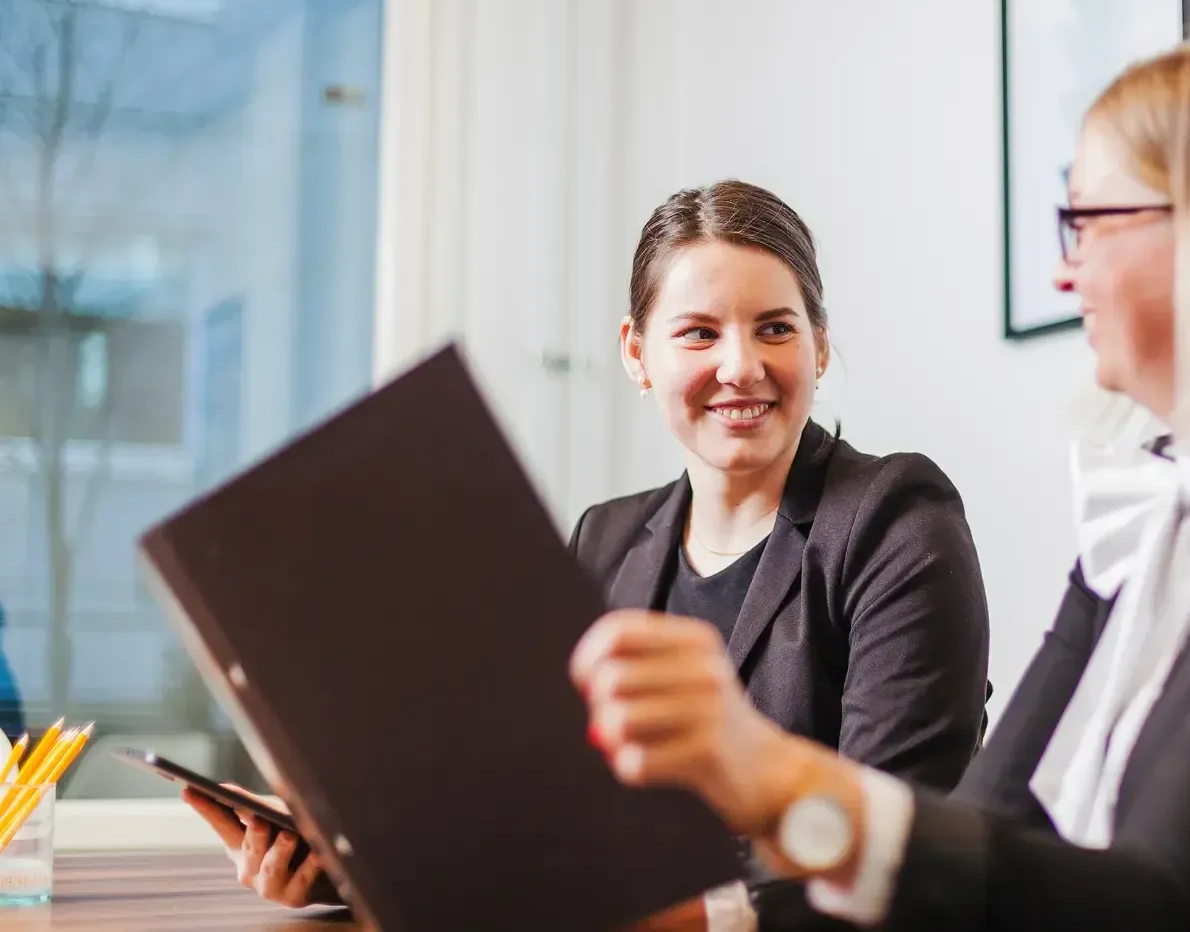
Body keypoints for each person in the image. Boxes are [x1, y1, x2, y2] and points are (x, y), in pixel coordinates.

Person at [571, 37, 1190, 930]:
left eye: (1087, 220)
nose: (1065, 273)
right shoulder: (1151, 503)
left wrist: (778, 785)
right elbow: (980, 836)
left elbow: (1172, 903)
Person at [186, 180, 992, 931]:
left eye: (774, 328)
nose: (740, 365)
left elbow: (895, 844)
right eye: (700, 333)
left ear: (818, 345)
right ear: (638, 354)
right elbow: (536, 818)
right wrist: (352, 873)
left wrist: (692, 917)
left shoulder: (894, 519)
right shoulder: (604, 541)